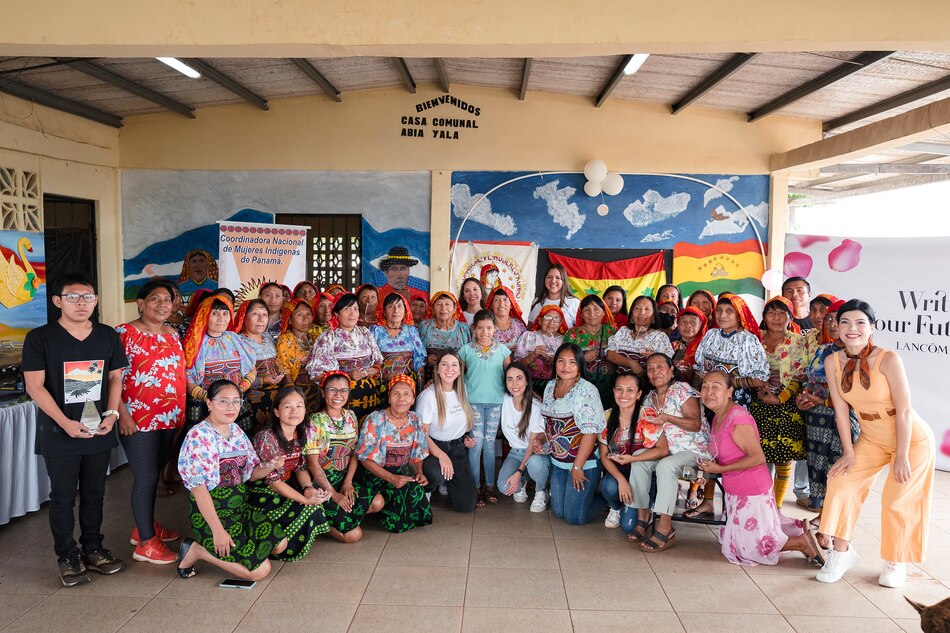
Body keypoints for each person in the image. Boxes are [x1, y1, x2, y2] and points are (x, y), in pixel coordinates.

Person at [815, 300, 936, 588]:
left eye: (859, 323)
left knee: (897, 500)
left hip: (911, 440)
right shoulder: (833, 361)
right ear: (836, 328)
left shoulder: (889, 359)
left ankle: (897, 561)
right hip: (871, 437)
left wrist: (902, 455)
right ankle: (841, 553)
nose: (851, 329)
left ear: (872, 327)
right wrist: (848, 452)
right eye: (845, 322)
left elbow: (904, 410)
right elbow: (841, 410)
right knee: (841, 481)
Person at [23, 273, 129, 587]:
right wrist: (65, 423)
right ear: (57, 301)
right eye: (73, 296)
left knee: (96, 493)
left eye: (88, 297)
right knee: (63, 496)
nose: (81, 303)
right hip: (60, 431)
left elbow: (115, 378)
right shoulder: (40, 338)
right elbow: (34, 387)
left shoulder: (107, 335)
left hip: (98, 428)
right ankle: (67, 556)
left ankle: (93, 549)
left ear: (96, 300)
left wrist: (111, 414)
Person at [696, 371, 823, 567]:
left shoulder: (737, 417)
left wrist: (721, 467)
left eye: (716, 387)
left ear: (730, 391)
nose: (708, 392)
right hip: (736, 490)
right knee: (731, 543)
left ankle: (801, 542)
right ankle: (793, 531)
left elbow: (757, 457)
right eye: (705, 386)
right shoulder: (718, 415)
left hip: (751, 491)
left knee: (749, 549)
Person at [175, 380, 289, 581]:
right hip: (213, 515)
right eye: (224, 402)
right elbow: (199, 490)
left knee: (280, 544)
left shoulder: (235, 430)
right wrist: (218, 531)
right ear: (209, 403)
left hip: (239, 509)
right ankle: (197, 550)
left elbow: (250, 473)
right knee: (259, 572)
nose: (231, 407)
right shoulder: (198, 436)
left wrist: (271, 465)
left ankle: (243, 550)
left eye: (236, 402)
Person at [115, 279, 185, 565]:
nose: (162, 305)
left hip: (170, 417)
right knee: (145, 477)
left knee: (154, 473)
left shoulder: (173, 333)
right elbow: (112, 378)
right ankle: (145, 542)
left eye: (167, 300)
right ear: (140, 303)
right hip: (137, 419)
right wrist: (121, 412)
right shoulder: (124, 333)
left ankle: (144, 525)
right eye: (155, 299)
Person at [688, 292, 769, 518]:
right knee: (710, 449)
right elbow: (699, 367)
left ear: (740, 314)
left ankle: (739, 501)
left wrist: (728, 384)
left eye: (729, 311)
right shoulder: (711, 335)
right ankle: (707, 500)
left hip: (735, 403)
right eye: (720, 311)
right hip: (709, 400)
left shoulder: (748, 340)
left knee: (728, 451)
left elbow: (761, 378)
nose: (723, 315)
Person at [625, 354, 706, 552]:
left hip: (694, 453)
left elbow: (695, 423)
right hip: (667, 452)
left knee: (666, 466)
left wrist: (668, 418)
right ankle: (643, 517)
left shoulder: (681, 390)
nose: (655, 372)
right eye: (651, 369)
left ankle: (665, 527)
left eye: (660, 367)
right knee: (639, 460)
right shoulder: (648, 399)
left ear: (671, 371)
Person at [250, 386, 331, 560]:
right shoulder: (267, 437)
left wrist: (308, 488)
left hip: (284, 485)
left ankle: (283, 545)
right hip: (261, 490)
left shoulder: (300, 433)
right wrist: (304, 499)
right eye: (288, 406)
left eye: (299, 406)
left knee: (315, 505)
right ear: (277, 412)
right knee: (308, 508)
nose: (294, 411)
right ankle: (275, 547)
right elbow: (273, 481)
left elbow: (300, 467)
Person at [795, 299, 860, 514]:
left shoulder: (858, 354)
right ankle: (820, 511)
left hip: (840, 419)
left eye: (838, 319)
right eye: (829, 318)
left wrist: (821, 401)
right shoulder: (823, 349)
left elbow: (856, 395)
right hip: (815, 419)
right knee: (816, 464)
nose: (832, 323)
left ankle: (834, 517)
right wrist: (803, 398)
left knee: (837, 467)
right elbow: (810, 380)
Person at [304, 371, 382, 543]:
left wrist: (348, 482)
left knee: (378, 502)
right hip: (322, 484)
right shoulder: (316, 421)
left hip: (342, 478)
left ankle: (342, 515)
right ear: (323, 392)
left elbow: (354, 453)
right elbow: (313, 464)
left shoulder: (350, 416)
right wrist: (333, 494)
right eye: (333, 390)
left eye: (344, 391)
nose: (338, 395)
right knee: (354, 536)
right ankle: (318, 520)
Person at [747, 296, 808, 508]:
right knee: (758, 456)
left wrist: (779, 398)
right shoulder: (754, 338)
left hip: (786, 404)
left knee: (783, 457)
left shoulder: (798, 342)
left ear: (791, 318)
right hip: (757, 402)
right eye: (771, 312)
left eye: (782, 313)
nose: (776, 317)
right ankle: (759, 503)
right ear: (764, 316)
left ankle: (777, 506)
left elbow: (799, 376)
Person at [538, 343, 606, 525]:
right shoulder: (550, 385)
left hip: (583, 464)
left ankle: (608, 499)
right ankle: (586, 494)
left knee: (574, 517)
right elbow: (551, 423)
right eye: (561, 361)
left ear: (579, 366)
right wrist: (542, 438)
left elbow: (590, 433)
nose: (566, 367)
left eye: (572, 362)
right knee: (559, 512)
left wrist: (577, 468)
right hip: (558, 462)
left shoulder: (586, 390)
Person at [357, 376, 433, 533]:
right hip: (376, 473)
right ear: (389, 398)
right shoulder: (376, 419)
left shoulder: (415, 419)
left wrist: (419, 472)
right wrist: (390, 478)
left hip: (401, 471)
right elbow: (364, 458)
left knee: (416, 493)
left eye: (406, 394)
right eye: (396, 394)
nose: (401, 399)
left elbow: (418, 451)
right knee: (396, 518)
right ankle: (377, 509)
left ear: (413, 400)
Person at [458, 310, 511, 506]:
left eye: (489, 328)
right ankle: (474, 488)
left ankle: (489, 487)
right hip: (474, 403)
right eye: (480, 328)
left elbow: (509, 376)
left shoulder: (504, 351)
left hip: (496, 402)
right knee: (476, 445)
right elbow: (458, 376)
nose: (484, 332)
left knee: (489, 446)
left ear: (495, 329)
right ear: (474, 329)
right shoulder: (465, 350)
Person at [182, 295, 257, 434]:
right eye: (215, 313)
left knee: (241, 437)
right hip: (205, 403)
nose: (221, 318)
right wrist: (208, 398)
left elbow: (252, 369)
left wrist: (240, 389)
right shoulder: (196, 342)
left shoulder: (234, 338)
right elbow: (186, 378)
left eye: (225, 313)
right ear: (205, 315)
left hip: (236, 401)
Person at [416, 351, 479, 512]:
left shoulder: (462, 390)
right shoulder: (428, 397)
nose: (449, 369)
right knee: (434, 473)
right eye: (444, 364)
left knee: (466, 505)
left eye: (454, 365)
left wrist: (465, 437)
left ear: (459, 370)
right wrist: (442, 456)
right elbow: (422, 435)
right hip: (434, 448)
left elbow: (459, 421)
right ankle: (428, 490)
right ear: (437, 369)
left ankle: (447, 482)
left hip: (457, 448)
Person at [307, 292, 385, 421]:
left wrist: (371, 371)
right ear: (336, 313)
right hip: (341, 398)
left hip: (369, 396)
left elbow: (378, 362)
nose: (352, 313)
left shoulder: (365, 333)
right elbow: (316, 374)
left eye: (355, 309)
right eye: (347, 309)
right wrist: (348, 375)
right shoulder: (327, 337)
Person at [497, 362, 550, 512]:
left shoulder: (535, 406)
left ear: (527, 380)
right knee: (504, 487)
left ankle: (541, 490)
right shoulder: (505, 400)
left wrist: (518, 472)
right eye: (510, 379)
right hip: (515, 453)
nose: (514, 383)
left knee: (534, 463)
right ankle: (524, 480)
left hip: (535, 453)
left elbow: (532, 445)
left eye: (519, 378)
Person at [596, 373, 644, 535]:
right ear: (613, 391)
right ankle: (616, 507)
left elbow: (663, 450)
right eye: (619, 389)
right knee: (608, 486)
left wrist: (634, 459)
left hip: (642, 475)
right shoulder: (607, 416)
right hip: (620, 470)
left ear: (639, 394)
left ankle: (644, 507)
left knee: (629, 527)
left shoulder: (647, 416)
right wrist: (621, 479)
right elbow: (604, 455)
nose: (624, 395)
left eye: (630, 390)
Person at [233, 298, 285, 432]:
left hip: (276, 394)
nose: (261, 319)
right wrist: (264, 380)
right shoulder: (237, 342)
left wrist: (280, 370)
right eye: (255, 314)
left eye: (265, 315)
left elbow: (277, 361)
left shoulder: (268, 338)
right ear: (244, 317)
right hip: (251, 397)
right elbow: (237, 378)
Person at [563, 295, 617, 407]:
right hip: (581, 386)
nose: (592, 314)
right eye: (587, 310)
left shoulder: (612, 331)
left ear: (604, 312)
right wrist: (583, 358)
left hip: (610, 387)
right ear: (581, 314)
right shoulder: (572, 334)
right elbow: (563, 361)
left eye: (596, 309)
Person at [606, 295, 675, 377]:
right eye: (637, 308)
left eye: (647, 309)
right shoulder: (623, 331)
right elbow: (610, 354)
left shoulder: (660, 337)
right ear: (631, 315)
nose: (642, 312)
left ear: (653, 316)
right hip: (621, 384)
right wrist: (632, 363)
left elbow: (668, 363)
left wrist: (654, 357)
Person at [369, 293, 427, 387]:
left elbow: (419, 361)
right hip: (381, 383)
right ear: (383, 311)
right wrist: (383, 376)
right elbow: (369, 360)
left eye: (399, 306)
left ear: (405, 310)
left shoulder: (411, 330)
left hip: (407, 383)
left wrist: (420, 389)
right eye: (391, 306)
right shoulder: (375, 330)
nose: (396, 310)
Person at [417, 291, 471, 385]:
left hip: (454, 379)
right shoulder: (425, 326)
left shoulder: (462, 328)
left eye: (447, 304)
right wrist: (427, 358)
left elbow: (468, 356)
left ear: (455, 308)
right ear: (433, 309)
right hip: (428, 380)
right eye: (439, 304)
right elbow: (416, 352)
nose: (443, 308)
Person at [275, 299, 320, 412]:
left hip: (317, 388)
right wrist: (292, 391)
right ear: (289, 319)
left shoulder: (315, 338)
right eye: (299, 315)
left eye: (308, 314)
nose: (305, 319)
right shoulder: (286, 340)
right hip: (298, 389)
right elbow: (284, 368)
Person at [513, 304, 566, 391]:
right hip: (530, 385)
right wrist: (533, 355)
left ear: (560, 323)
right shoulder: (528, 336)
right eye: (547, 317)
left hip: (557, 386)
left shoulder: (564, 340)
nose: (551, 322)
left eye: (556, 319)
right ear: (540, 320)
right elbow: (516, 365)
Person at [527, 263, 580, 328]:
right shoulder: (537, 301)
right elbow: (529, 329)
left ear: (563, 281)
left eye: (558, 277)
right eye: (549, 277)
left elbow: (581, 331)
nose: (553, 281)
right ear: (545, 279)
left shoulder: (574, 302)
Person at [670, 305, 707, 385]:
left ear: (700, 325)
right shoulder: (671, 345)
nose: (688, 326)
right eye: (684, 322)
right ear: (678, 324)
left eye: (693, 322)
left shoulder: (705, 347)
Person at [488, 285, 527, 352]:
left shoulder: (519, 325)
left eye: (505, 299)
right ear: (491, 305)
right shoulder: (484, 325)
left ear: (511, 305)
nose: (501, 304)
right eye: (496, 300)